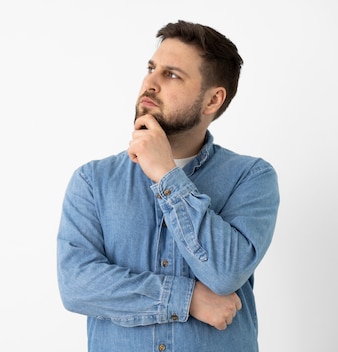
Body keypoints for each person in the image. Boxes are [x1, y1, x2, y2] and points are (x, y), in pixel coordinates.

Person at [56, 20, 279, 352]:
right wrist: (186, 299)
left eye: (172, 74)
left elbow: (225, 273)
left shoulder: (251, 177)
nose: (150, 83)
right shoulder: (93, 181)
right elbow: (76, 286)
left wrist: (166, 174)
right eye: (151, 68)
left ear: (212, 100)